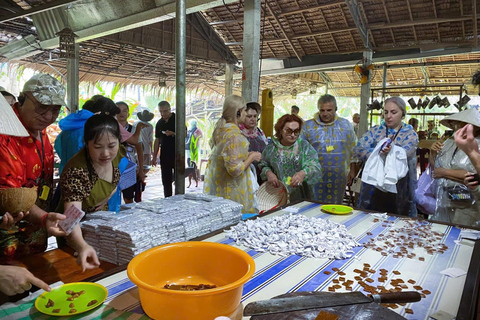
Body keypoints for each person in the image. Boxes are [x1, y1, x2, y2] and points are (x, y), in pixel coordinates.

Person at [0, 74, 96, 296]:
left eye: (55, 110)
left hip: (35, 234)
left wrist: (45, 219)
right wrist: (43, 217)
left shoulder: (40, 132)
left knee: (36, 292)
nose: (48, 116)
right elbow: (15, 197)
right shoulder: (7, 135)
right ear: (21, 100)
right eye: (43, 107)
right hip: (9, 236)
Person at [354, 97, 419, 216]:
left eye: (393, 112)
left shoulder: (410, 134)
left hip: (399, 185)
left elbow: (406, 152)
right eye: (386, 112)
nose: (388, 116)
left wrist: (391, 152)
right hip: (374, 184)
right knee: (370, 216)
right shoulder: (376, 131)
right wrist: (378, 152)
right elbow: (359, 148)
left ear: (402, 114)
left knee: (397, 218)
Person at [203, 95, 262, 213]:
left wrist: (245, 155)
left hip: (221, 186)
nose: (246, 114)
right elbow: (234, 170)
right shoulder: (234, 136)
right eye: (245, 110)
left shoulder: (222, 130)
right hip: (232, 190)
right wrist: (252, 157)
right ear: (238, 112)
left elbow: (228, 157)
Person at [301, 94, 357, 204]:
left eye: (329, 110)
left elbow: (353, 148)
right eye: (322, 110)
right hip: (314, 175)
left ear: (336, 109)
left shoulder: (345, 125)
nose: (325, 113)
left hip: (339, 175)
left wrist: (352, 170)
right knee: (314, 205)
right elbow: (300, 150)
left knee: (335, 205)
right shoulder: (308, 126)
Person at [430, 108, 480, 227]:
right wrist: (433, 152)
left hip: (468, 202)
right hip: (445, 198)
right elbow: (435, 169)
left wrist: (445, 173)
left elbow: (474, 176)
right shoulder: (450, 142)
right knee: (442, 232)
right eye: (453, 123)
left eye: (459, 123)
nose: (455, 126)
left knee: (462, 233)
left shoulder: (477, 144)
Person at [259, 114, 322, 202]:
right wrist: (269, 173)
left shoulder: (304, 146)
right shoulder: (272, 148)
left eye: (296, 131)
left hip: (302, 195)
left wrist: (303, 173)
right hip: (277, 195)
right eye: (289, 131)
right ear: (280, 130)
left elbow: (315, 165)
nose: (293, 135)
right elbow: (263, 164)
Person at [116, 101, 145, 203]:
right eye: (118, 110)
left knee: (128, 198)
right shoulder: (111, 128)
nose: (122, 113)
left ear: (128, 113)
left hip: (129, 169)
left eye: (125, 110)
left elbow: (139, 150)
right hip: (112, 168)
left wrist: (141, 169)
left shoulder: (133, 130)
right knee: (112, 197)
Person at [239, 102, 268, 185]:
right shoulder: (237, 133)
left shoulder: (259, 132)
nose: (253, 119)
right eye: (249, 116)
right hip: (245, 175)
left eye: (255, 116)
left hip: (261, 175)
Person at [152, 101, 176, 197]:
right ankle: (168, 198)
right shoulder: (159, 123)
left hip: (177, 154)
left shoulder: (177, 119)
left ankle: (180, 199)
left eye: (165, 111)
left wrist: (173, 133)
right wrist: (154, 157)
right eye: (161, 111)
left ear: (170, 109)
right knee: (166, 180)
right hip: (165, 154)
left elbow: (185, 134)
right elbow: (157, 140)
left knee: (179, 178)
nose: (163, 114)